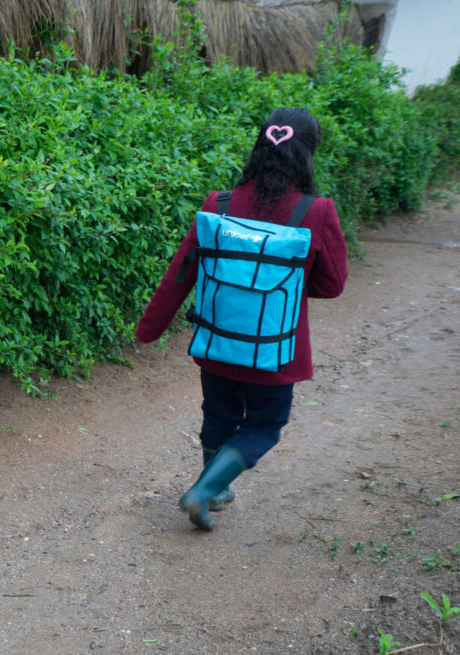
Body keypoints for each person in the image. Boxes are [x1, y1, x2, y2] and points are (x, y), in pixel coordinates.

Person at [134, 108, 349, 531]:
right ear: (307, 156)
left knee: (218, 413)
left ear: (258, 149)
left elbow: (180, 272)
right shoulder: (317, 211)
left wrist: (149, 329)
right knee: (266, 423)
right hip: (276, 349)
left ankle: (214, 489)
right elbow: (333, 284)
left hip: (217, 341)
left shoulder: (220, 204)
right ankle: (204, 490)